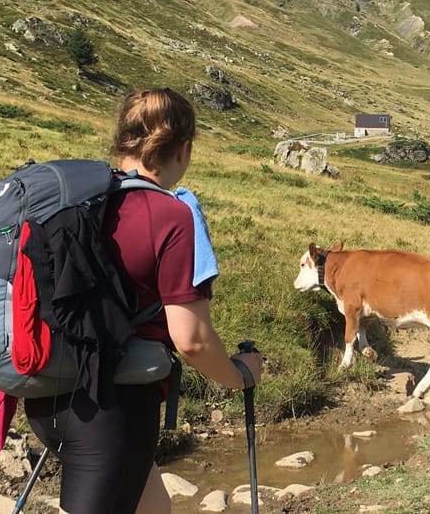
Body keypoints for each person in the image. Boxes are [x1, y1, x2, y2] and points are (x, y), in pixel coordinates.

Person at [23, 88, 264, 514]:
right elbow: (191, 340)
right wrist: (239, 375)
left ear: (123, 141)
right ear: (183, 150)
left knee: (154, 507)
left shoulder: (83, 202)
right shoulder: (171, 215)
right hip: (112, 412)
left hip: (48, 395)